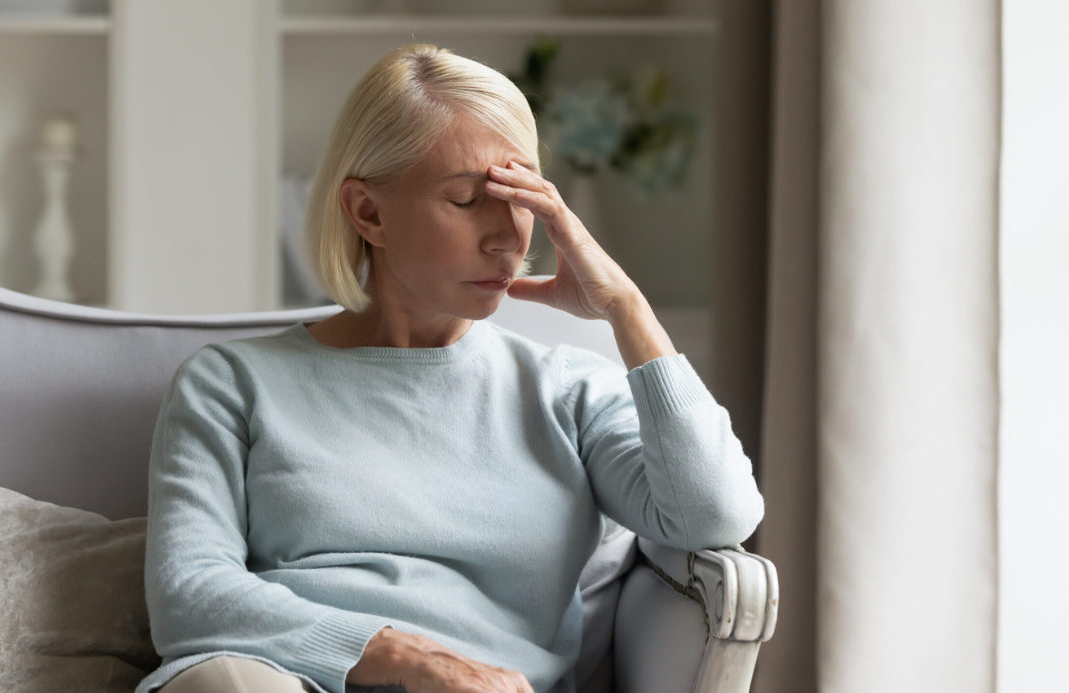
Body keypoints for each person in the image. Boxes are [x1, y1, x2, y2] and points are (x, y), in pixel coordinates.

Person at [136, 43, 764, 693]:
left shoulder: (568, 389)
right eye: (467, 199)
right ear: (368, 212)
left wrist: (626, 307)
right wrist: (407, 657)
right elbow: (191, 594)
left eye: (522, 197)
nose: (507, 236)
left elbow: (714, 514)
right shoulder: (231, 382)